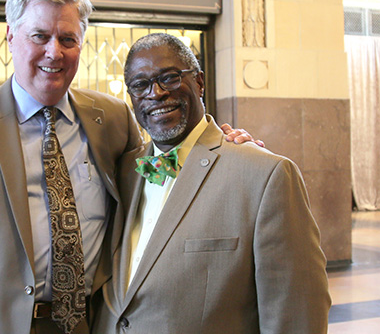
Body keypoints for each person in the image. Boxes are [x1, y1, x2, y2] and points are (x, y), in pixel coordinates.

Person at [0, 0, 256, 334]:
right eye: (40, 36)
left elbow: (159, 177)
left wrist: (220, 146)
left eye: (67, 39)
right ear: (10, 37)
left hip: (87, 324)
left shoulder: (111, 118)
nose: (55, 52)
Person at [92, 33, 331, 333]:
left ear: (200, 82)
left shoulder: (264, 175)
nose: (156, 93)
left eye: (170, 78)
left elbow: (297, 317)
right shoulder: (124, 171)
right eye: (140, 85)